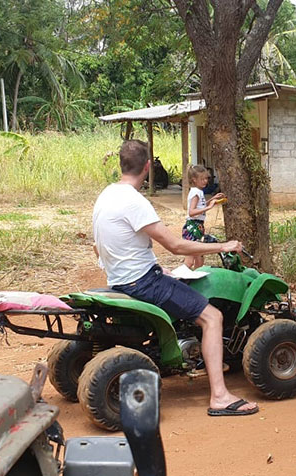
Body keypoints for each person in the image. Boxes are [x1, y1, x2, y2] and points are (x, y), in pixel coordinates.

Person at [92, 139, 258, 417]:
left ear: (121, 165)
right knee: (212, 317)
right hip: (142, 282)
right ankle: (219, 395)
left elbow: (103, 245)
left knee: (182, 292)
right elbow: (177, 246)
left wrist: (155, 268)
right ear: (147, 167)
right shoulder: (135, 202)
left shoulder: (106, 195)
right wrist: (223, 246)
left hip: (121, 279)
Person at [182, 165, 225, 269]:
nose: (205, 181)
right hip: (193, 227)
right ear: (194, 180)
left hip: (198, 227)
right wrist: (209, 207)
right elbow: (192, 212)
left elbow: (200, 205)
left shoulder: (198, 191)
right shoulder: (196, 192)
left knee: (199, 261)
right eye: (202, 179)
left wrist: (212, 199)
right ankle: (178, 280)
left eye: (206, 178)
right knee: (189, 261)